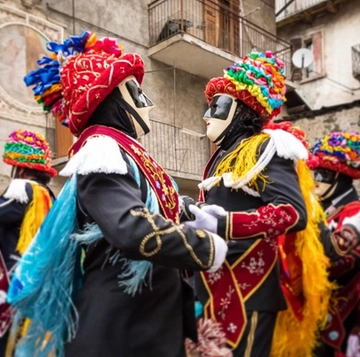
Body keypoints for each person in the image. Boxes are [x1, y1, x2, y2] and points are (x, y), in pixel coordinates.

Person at [6, 31, 228, 357]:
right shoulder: (102, 151)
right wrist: (206, 246)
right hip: (121, 329)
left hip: (144, 322)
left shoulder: (123, 152)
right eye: (136, 92)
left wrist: (190, 211)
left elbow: (145, 203)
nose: (148, 103)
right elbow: (130, 228)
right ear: (112, 98)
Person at [182, 51, 333, 357]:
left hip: (246, 291)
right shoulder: (221, 156)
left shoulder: (266, 147)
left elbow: (292, 213)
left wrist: (223, 223)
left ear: (240, 108)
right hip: (212, 289)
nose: (206, 115)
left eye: (216, 105)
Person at [0, 129, 56, 355]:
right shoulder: (51, 196)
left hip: (12, 280)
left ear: (20, 168)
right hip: (36, 281)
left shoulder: (22, 187)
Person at [307, 132, 360, 357]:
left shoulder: (356, 212)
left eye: (322, 174)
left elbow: (335, 253)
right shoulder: (324, 209)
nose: (314, 180)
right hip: (316, 309)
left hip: (346, 311)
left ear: (340, 178)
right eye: (314, 173)